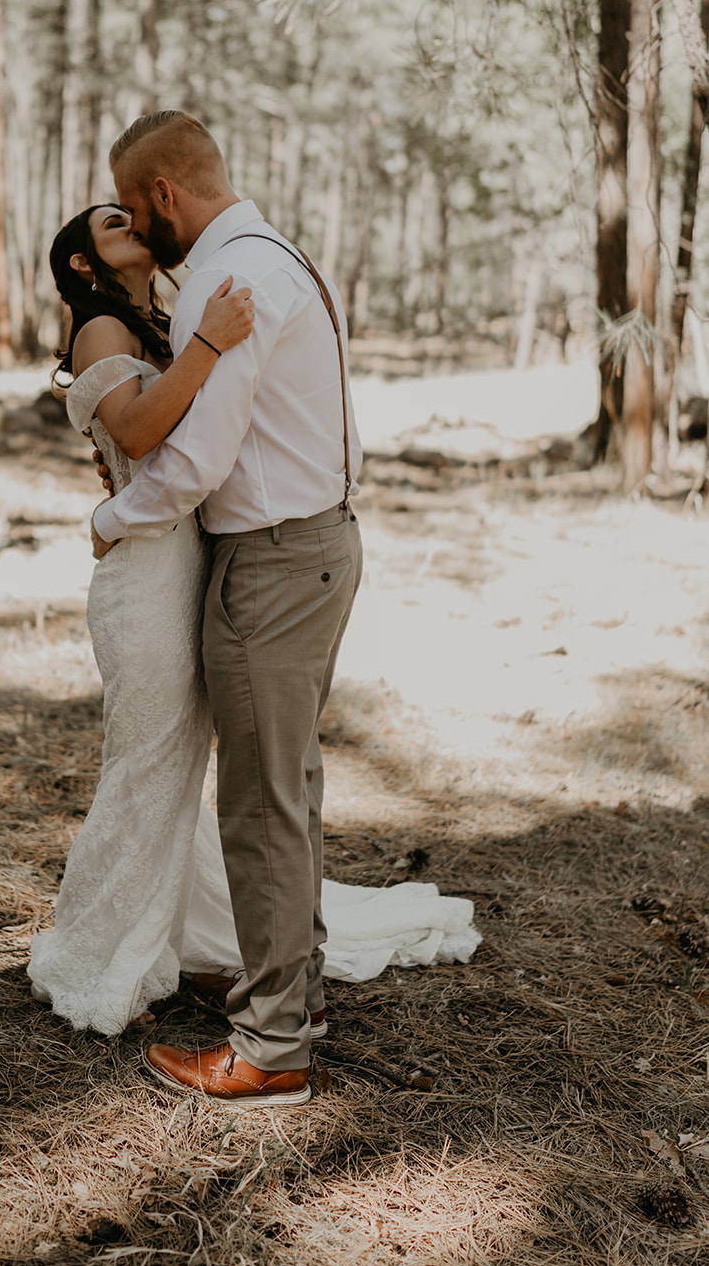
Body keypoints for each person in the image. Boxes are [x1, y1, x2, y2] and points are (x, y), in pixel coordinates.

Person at [30, 118, 479, 1106]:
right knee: (241, 789)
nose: (128, 225)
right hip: (271, 556)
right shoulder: (257, 265)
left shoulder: (229, 283)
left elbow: (189, 460)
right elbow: (174, 435)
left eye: (128, 204)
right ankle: (223, 976)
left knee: (258, 800)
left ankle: (272, 1043)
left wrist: (112, 513)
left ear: (160, 193)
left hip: (269, 563)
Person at [27, 202, 255, 1035]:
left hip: (184, 555)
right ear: (84, 265)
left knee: (174, 760)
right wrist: (207, 346)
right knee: (144, 761)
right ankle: (94, 949)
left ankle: (176, 928)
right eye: (110, 221)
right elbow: (135, 429)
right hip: (145, 574)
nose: (130, 221)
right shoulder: (98, 331)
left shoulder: (153, 321)